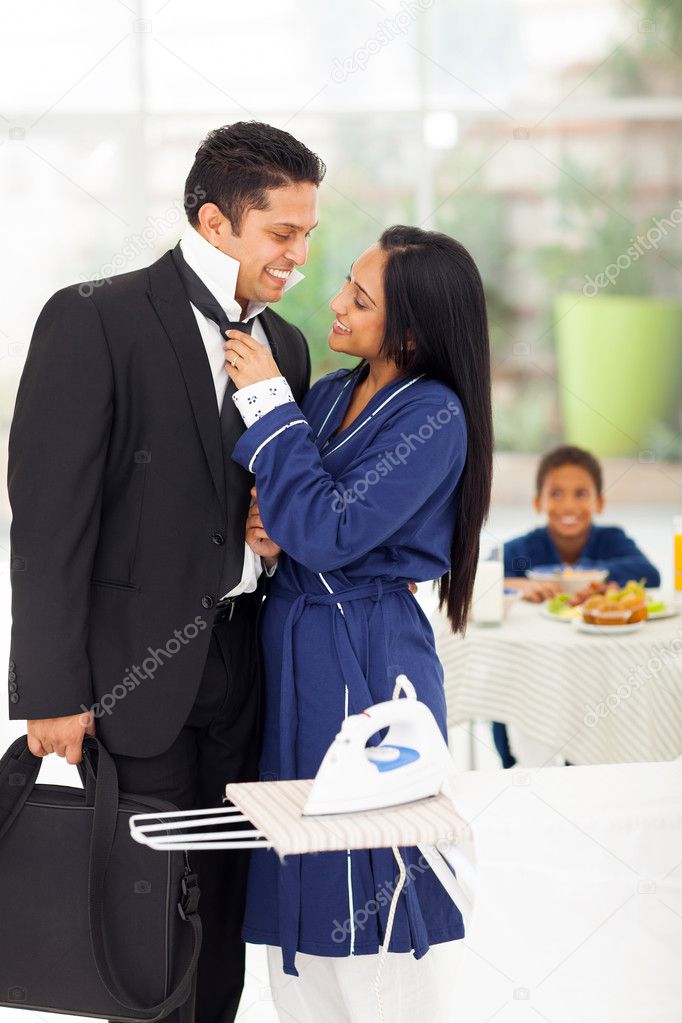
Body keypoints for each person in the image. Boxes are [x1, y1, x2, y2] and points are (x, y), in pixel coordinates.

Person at [7, 121, 324, 1023]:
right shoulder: (94, 315)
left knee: (223, 910)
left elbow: (259, 498)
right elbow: (48, 521)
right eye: (282, 234)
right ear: (215, 221)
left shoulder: (287, 348)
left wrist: (267, 534)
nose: (300, 255)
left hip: (242, 665)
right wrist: (53, 689)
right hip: (129, 674)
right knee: (141, 915)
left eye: (308, 234)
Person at [222, 225, 493, 1021]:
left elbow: (333, 528)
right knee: (298, 863)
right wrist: (269, 538)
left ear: (409, 331)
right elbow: (299, 514)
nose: (335, 302)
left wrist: (269, 401)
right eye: (347, 282)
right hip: (296, 648)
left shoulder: (435, 417)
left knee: (374, 877)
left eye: (359, 299)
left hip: (370, 661)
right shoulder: (336, 393)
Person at [493, 444, 661, 768]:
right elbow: (479, 577)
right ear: (537, 502)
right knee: (507, 683)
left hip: (593, 672)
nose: (568, 504)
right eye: (556, 494)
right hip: (535, 668)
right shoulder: (524, 548)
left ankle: (583, 765)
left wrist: (589, 577)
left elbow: (649, 573)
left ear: (599, 502)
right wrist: (518, 583)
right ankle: (511, 761)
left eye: (581, 493)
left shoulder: (611, 540)